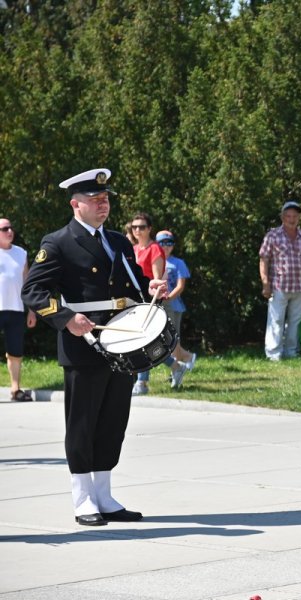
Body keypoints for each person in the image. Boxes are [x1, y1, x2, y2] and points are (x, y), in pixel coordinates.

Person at [21, 168, 166, 526]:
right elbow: (33, 292)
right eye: (95, 200)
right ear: (76, 204)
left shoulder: (117, 241)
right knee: (82, 423)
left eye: (105, 199)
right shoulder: (58, 242)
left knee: (112, 421)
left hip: (122, 343)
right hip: (83, 344)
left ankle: (104, 494)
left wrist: (149, 289)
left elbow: (130, 286)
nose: (103, 205)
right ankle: (83, 498)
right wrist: (65, 317)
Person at [129, 213, 187, 394]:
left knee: (142, 342)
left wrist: (153, 299)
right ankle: (176, 366)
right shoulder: (134, 249)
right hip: (134, 301)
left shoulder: (154, 249)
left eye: (142, 227)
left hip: (150, 300)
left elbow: (156, 279)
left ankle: (142, 383)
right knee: (146, 344)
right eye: (135, 227)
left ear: (149, 229)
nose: (138, 230)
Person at [259, 201, 301, 361]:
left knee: (295, 321)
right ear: (282, 217)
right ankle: (273, 353)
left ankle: (291, 352)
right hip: (279, 286)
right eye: (289, 216)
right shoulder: (273, 235)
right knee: (276, 320)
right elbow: (264, 260)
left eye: (295, 216)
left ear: (299, 218)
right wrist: (265, 283)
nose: (292, 219)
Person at [1, 217, 37, 401]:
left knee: (15, 351)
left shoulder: (20, 253)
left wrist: (32, 310)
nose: (9, 231)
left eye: (10, 228)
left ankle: (16, 389)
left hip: (15, 309)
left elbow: (27, 284)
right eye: (4, 229)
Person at [156, 230, 197, 370]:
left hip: (173, 305)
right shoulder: (155, 261)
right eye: (162, 243)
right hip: (157, 304)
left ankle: (177, 369)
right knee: (163, 339)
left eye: (169, 243)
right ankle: (187, 357)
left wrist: (168, 297)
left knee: (173, 339)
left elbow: (180, 285)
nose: (165, 246)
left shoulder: (178, 263)